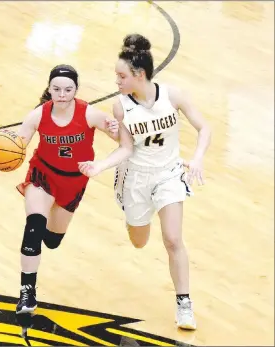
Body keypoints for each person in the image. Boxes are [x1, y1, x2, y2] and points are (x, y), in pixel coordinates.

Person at [92, 33, 211, 330]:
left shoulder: (173, 96)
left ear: (139, 75)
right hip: (135, 179)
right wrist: (100, 166)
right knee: (139, 241)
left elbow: (204, 126)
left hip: (168, 174)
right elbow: (126, 148)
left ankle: (184, 303)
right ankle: (132, 218)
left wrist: (196, 158)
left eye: (121, 76)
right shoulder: (121, 107)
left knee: (172, 239)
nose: (116, 81)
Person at [14, 64, 134, 314]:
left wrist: (115, 129)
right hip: (43, 175)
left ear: (76, 90)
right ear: (49, 89)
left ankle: (50, 225)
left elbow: (122, 141)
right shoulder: (38, 115)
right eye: (56, 89)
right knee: (34, 227)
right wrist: (9, 144)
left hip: (74, 181)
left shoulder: (89, 113)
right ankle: (27, 292)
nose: (61, 94)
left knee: (52, 240)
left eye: (68, 89)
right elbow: (20, 140)